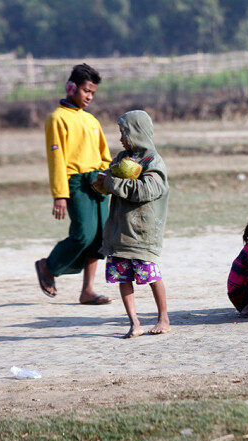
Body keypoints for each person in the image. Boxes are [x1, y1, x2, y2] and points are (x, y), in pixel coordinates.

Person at [35, 63, 113, 305]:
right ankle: (49, 266)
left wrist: (108, 179)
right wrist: (60, 194)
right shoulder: (56, 119)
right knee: (82, 234)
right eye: (86, 91)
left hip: (98, 182)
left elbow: (104, 155)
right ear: (71, 87)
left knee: (100, 238)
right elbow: (56, 159)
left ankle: (88, 290)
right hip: (76, 183)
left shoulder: (91, 120)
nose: (89, 96)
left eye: (93, 93)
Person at [97, 110, 170, 338]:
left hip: (141, 233)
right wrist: (103, 182)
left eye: (124, 133)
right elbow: (111, 181)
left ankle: (163, 319)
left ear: (137, 133)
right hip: (120, 232)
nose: (120, 138)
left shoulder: (153, 162)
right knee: (123, 278)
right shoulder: (121, 159)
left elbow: (146, 190)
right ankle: (134, 323)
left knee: (151, 276)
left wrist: (113, 182)